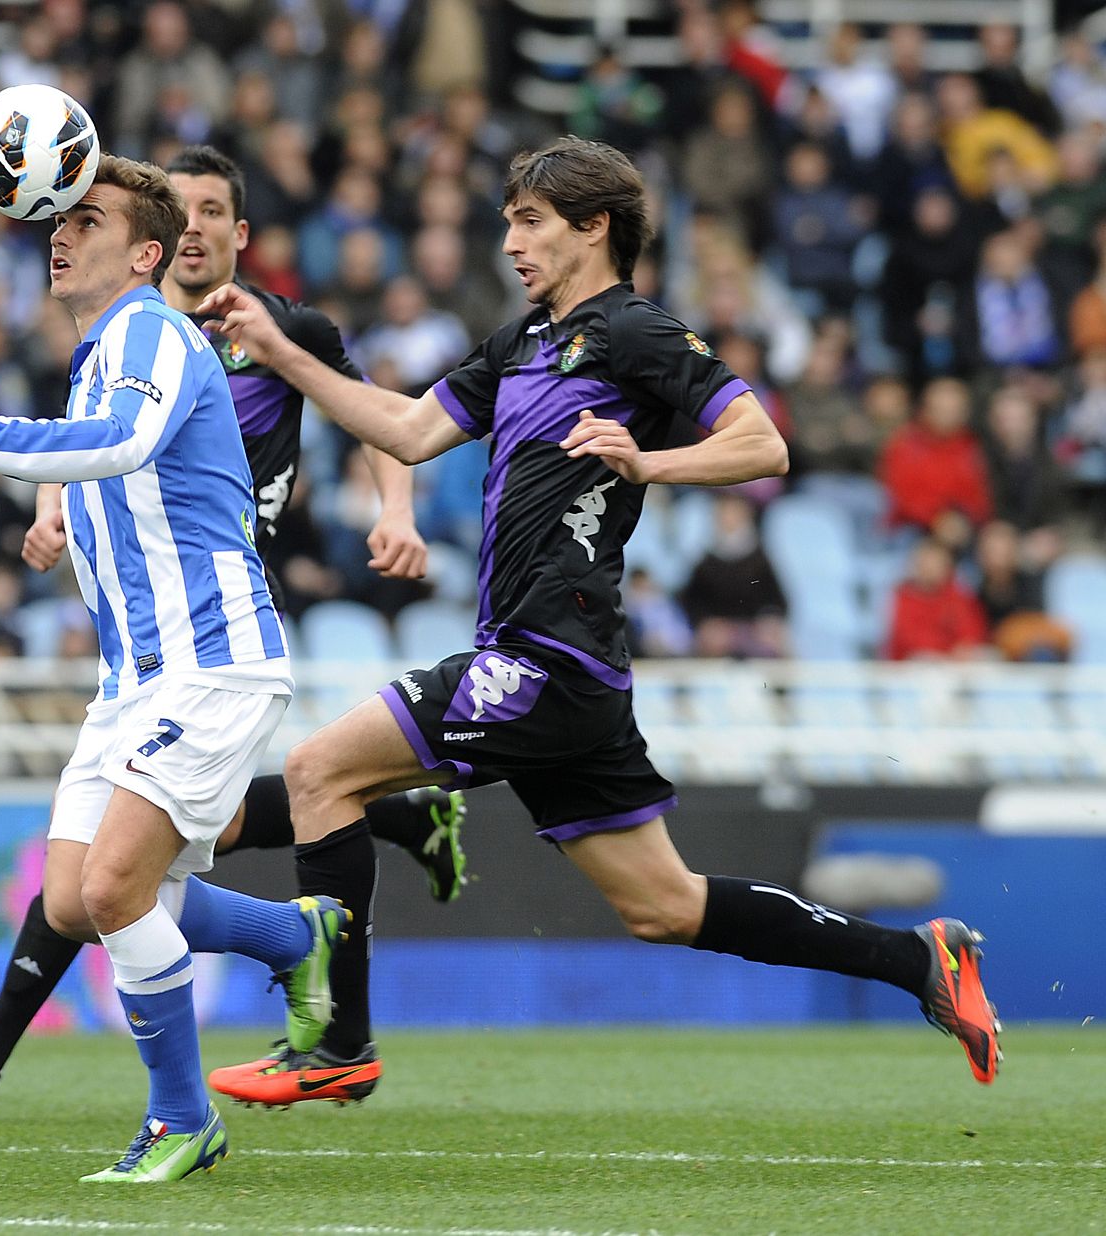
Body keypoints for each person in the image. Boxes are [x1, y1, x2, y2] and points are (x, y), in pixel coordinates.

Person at [197, 136, 1003, 1107]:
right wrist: (283, 353)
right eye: (506, 222)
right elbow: (408, 430)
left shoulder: (634, 332)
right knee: (666, 907)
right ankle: (920, 961)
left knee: (321, 771)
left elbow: (763, 444)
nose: (510, 242)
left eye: (528, 221)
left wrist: (648, 461)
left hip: (544, 655)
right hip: (568, 671)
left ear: (594, 225)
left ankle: (340, 1042)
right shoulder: (520, 343)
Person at [0, 146, 469, 1117]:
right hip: (138, 674)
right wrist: (56, 499)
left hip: (211, 652)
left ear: (152, 254)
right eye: (57, 222)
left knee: (115, 889)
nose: (59, 236)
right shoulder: (106, 351)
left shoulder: (167, 334)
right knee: (76, 900)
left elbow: (129, 440)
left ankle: (175, 1117)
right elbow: (110, 448)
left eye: (86, 222)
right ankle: (296, 935)